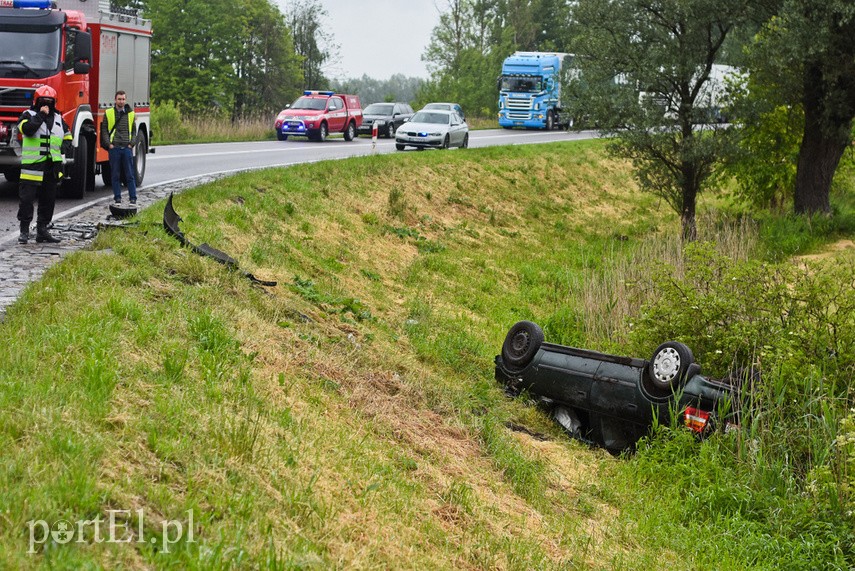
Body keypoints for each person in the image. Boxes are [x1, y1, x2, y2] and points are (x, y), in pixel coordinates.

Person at [17, 85, 72, 244]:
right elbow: (27, 130)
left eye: (50, 102)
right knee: (26, 200)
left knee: (48, 200)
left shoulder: (59, 119)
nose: (46, 104)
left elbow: (68, 137)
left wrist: (63, 148)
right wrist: (40, 115)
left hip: (52, 166)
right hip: (32, 166)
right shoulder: (28, 115)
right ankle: (24, 231)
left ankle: (42, 230)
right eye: (43, 101)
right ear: (36, 101)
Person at [100, 90, 137, 206]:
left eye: (123, 99)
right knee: (115, 175)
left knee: (129, 175)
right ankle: (117, 198)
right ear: (115, 100)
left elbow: (134, 131)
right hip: (114, 148)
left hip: (126, 148)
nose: (121, 101)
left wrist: (132, 144)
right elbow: (104, 130)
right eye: (119, 99)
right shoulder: (109, 113)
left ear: (125, 100)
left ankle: (133, 198)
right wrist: (109, 144)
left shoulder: (131, 114)